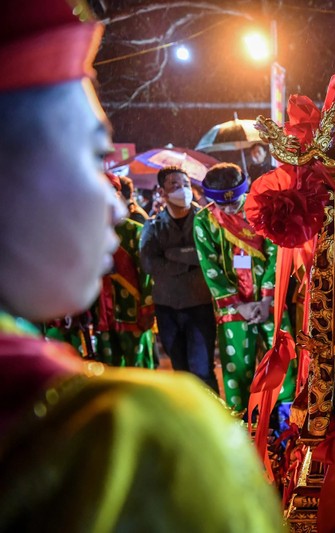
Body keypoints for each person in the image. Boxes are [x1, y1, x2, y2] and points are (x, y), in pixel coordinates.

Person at [0, 2, 284, 531]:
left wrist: (264, 297)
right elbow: (190, 263)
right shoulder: (142, 437)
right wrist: (237, 302)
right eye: (93, 155)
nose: (115, 205)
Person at [193, 163, 296, 413]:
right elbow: (210, 268)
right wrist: (240, 305)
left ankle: (285, 421)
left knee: (282, 359)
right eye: (222, 205)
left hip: (268, 301)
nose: (230, 208)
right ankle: (241, 425)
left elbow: (276, 252)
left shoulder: (261, 211)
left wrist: (265, 300)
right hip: (233, 306)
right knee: (236, 367)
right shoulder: (204, 221)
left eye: (235, 201)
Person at [139, 166, 219, 392]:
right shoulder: (153, 225)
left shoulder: (207, 220)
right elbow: (149, 264)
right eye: (174, 185)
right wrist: (190, 259)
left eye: (185, 184)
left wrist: (172, 255)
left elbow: (210, 256)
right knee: (181, 372)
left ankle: (214, 422)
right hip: (167, 308)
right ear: (162, 192)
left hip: (199, 305)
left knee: (202, 370)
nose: (181, 189)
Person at [90, 172, 156, 368]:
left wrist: (148, 307)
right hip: (100, 314)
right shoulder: (87, 232)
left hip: (132, 312)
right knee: (108, 369)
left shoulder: (134, 230)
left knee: (139, 368)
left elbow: (147, 273)